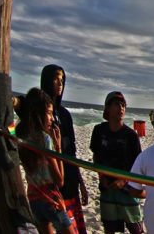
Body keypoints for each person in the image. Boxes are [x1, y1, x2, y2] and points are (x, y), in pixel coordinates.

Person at [15, 88, 76, 234]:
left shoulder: (21, 134)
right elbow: (59, 180)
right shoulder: (44, 138)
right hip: (50, 200)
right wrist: (58, 147)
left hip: (34, 199)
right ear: (38, 114)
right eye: (49, 113)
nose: (52, 118)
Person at [40, 64, 88, 233]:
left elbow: (72, 152)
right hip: (50, 183)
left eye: (62, 80)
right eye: (55, 79)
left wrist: (81, 183)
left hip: (70, 181)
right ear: (46, 80)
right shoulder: (39, 113)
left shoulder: (65, 114)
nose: (60, 83)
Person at [89, 91, 144, 234]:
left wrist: (124, 180)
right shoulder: (99, 131)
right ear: (107, 108)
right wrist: (101, 177)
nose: (121, 108)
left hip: (127, 190)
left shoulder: (131, 135)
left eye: (123, 105)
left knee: (135, 228)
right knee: (110, 228)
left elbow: (138, 165)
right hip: (107, 188)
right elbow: (96, 157)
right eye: (117, 104)